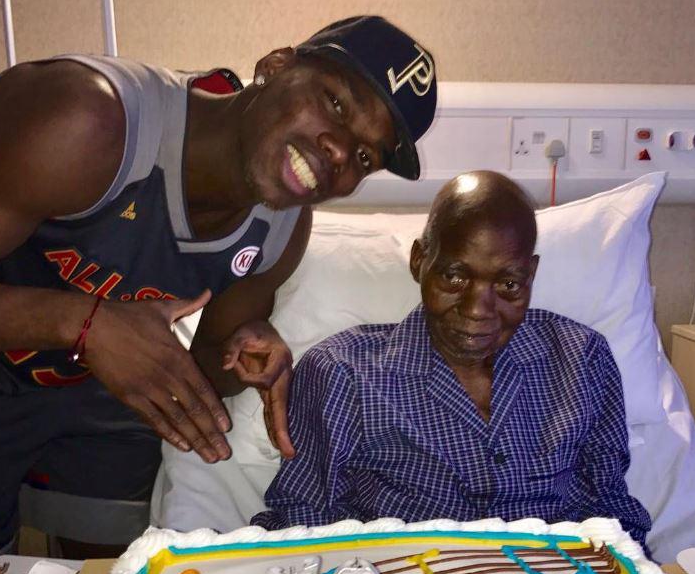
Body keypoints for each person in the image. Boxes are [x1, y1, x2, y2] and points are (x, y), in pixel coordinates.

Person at [0, 16, 437, 561]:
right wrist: (86, 322)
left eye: (366, 156)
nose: (340, 152)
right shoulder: (86, 120)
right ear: (276, 66)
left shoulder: (280, 232)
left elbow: (205, 368)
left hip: (97, 399)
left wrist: (247, 357)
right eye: (336, 104)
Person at [251, 171, 652, 545]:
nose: (479, 309)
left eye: (509, 284)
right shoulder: (342, 374)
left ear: (530, 275)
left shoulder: (582, 361)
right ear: (418, 262)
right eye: (455, 276)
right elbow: (300, 525)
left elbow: (610, 513)